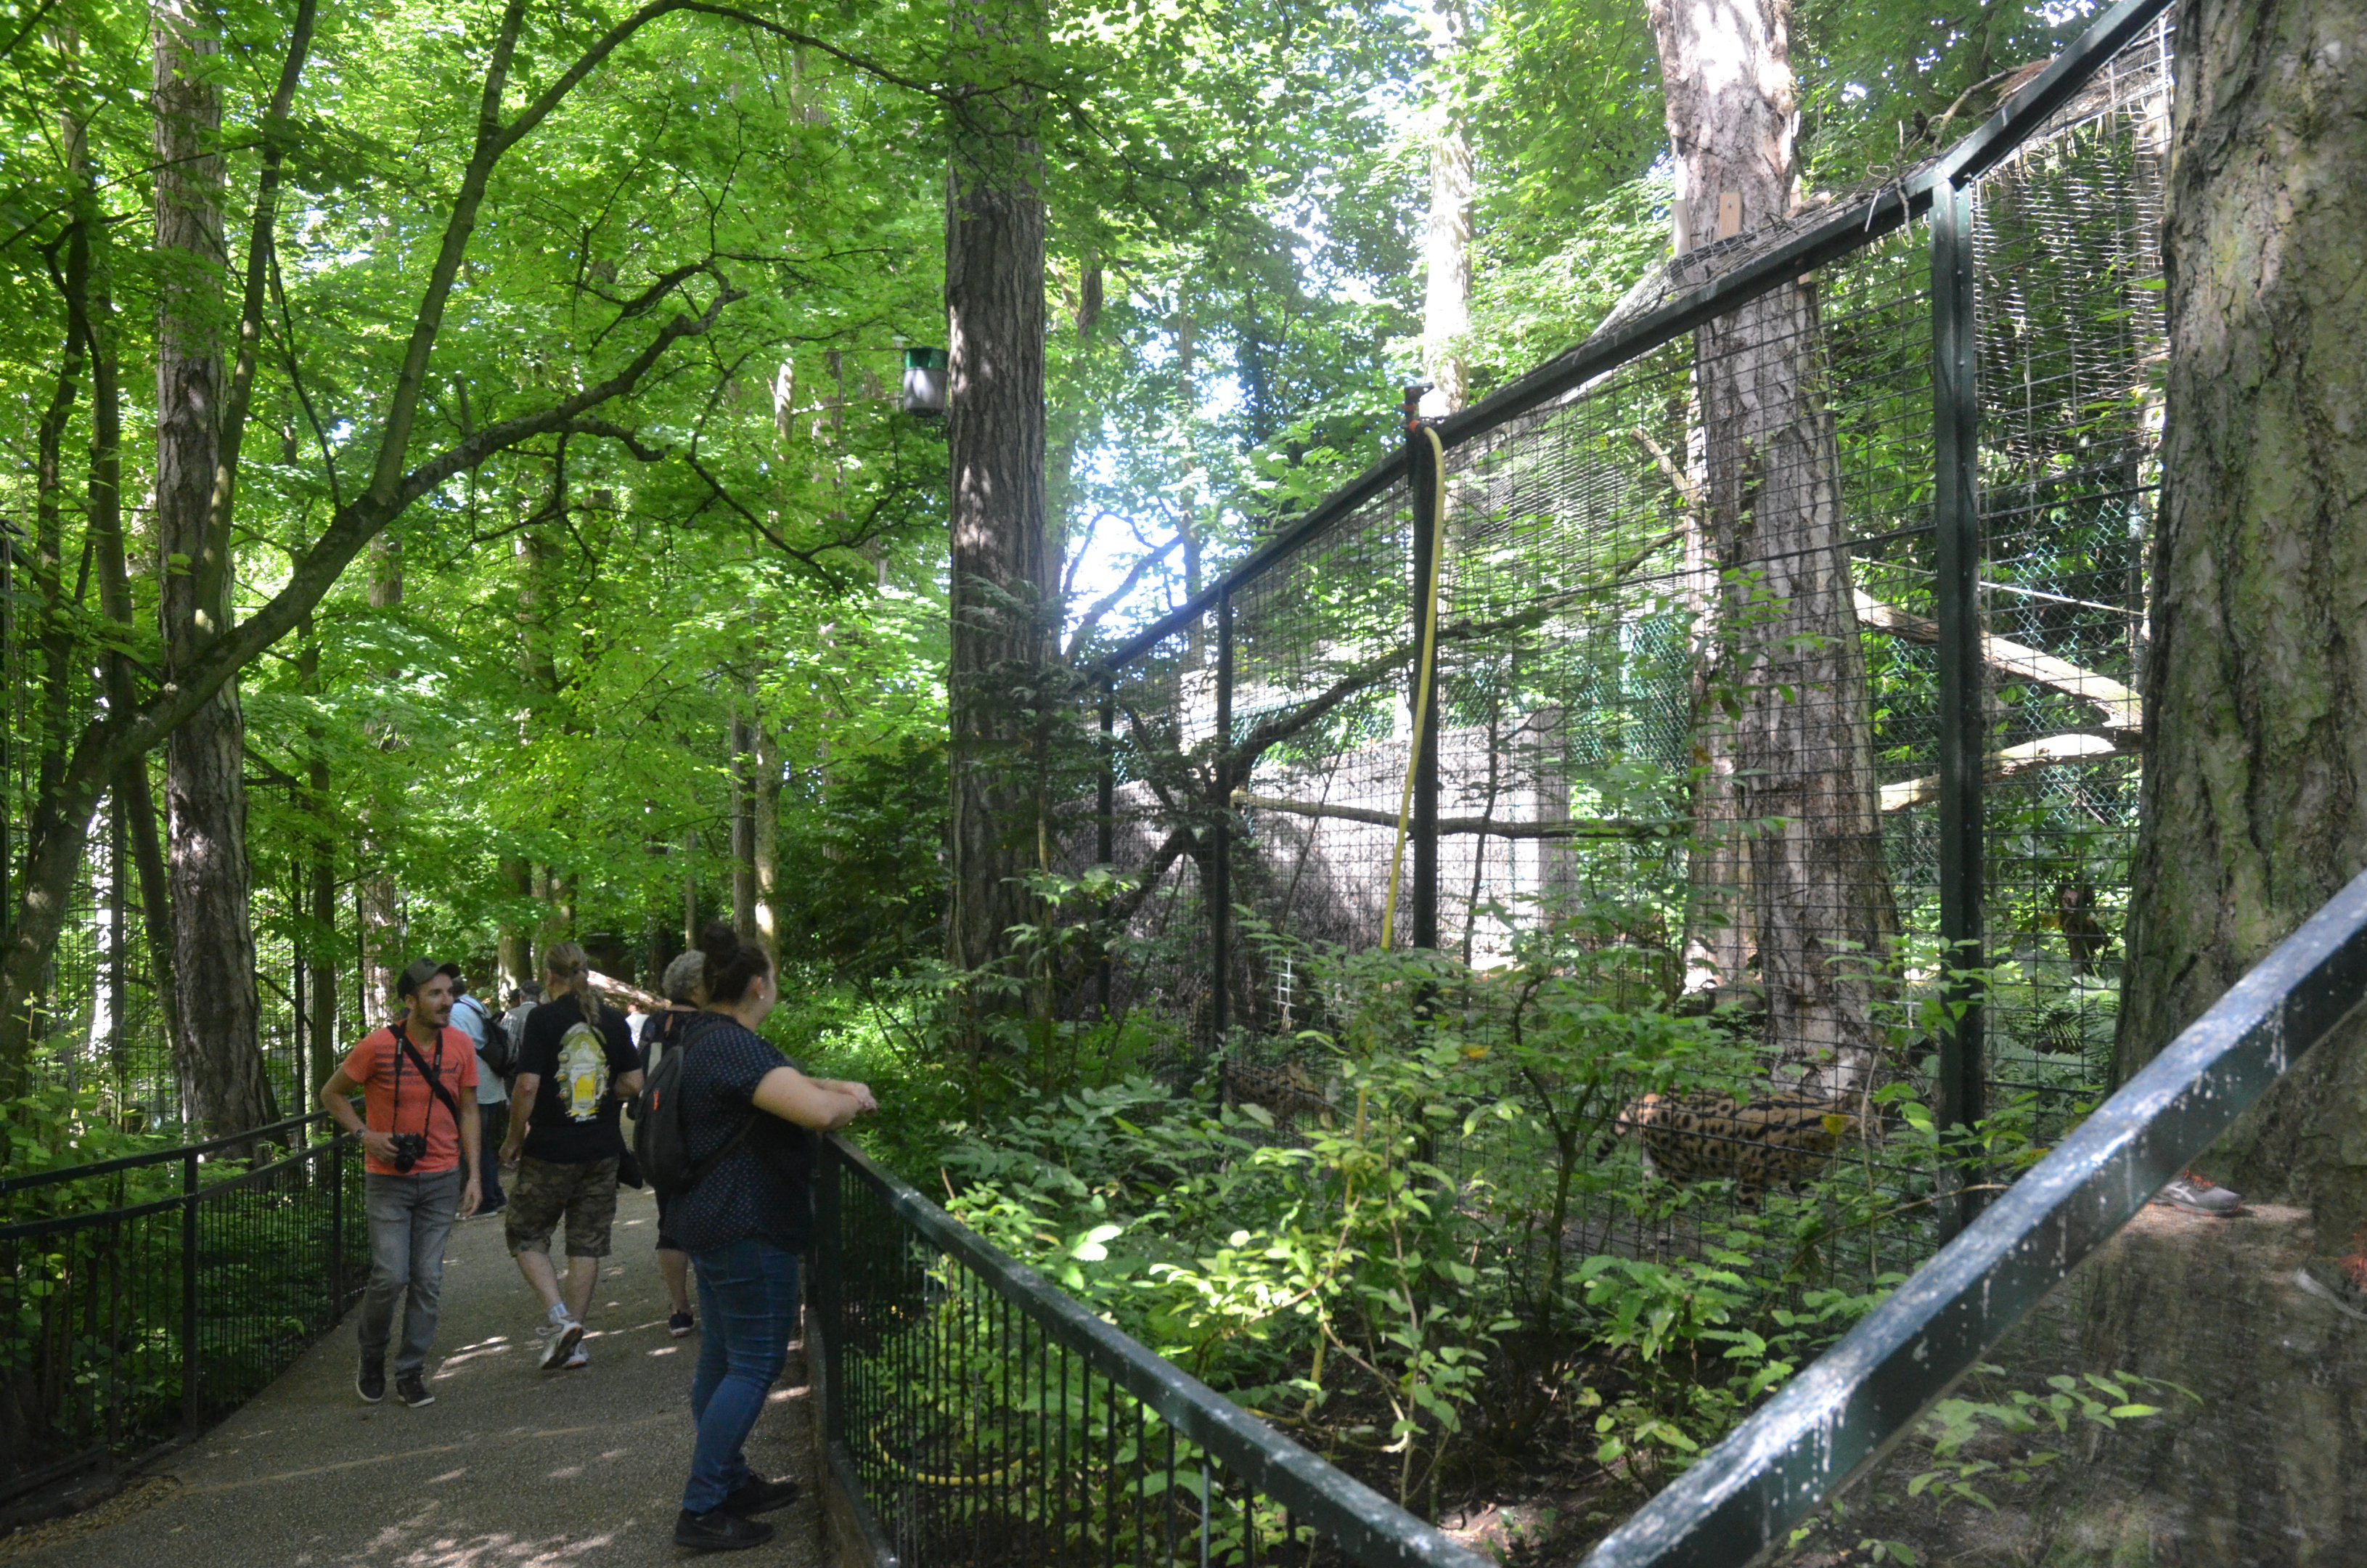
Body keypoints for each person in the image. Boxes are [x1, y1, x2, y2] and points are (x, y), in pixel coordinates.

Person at [669, 923, 875, 1553]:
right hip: (746, 1225)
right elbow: (814, 1110)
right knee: (755, 1363)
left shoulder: (709, 1037)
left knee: (723, 1358)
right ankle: (702, 1507)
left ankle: (729, 1482)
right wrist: (854, 1098)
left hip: (712, 1219)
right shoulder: (733, 1047)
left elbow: (794, 1087)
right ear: (759, 985)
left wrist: (832, 1088)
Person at [319, 959, 482, 1408]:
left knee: (428, 1278)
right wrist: (364, 1135)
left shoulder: (461, 1046)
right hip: (388, 1182)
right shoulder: (376, 1046)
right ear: (410, 1002)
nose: (446, 1001)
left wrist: (475, 1176)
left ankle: (411, 1370)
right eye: (435, 993)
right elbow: (330, 1094)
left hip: (441, 1178)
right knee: (391, 1274)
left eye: (449, 992)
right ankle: (371, 1356)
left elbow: (469, 1110)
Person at [499, 943, 642, 1371]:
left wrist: (512, 1141)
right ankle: (575, 1341)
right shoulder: (612, 1020)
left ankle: (561, 1319)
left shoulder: (542, 1019)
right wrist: (602, 1095)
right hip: (601, 1148)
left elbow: (526, 1087)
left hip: (551, 1149)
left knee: (525, 1232)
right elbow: (635, 1082)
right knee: (587, 1242)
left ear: (548, 977)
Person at [642, 950, 709, 1337]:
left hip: (663, 1134)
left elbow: (644, 1078)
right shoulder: (710, 1023)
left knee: (669, 1220)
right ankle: (715, 1302)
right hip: (703, 1130)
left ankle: (680, 1308)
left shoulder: (656, 1024)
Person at [451, 974, 508, 1218]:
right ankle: (494, 1194)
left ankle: (484, 1201)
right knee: (483, 1143)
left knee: (474, 1143)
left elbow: (455, 1049)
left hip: (476, 1086)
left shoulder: (454, 1013)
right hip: (491, 1082)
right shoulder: (474, 1004)